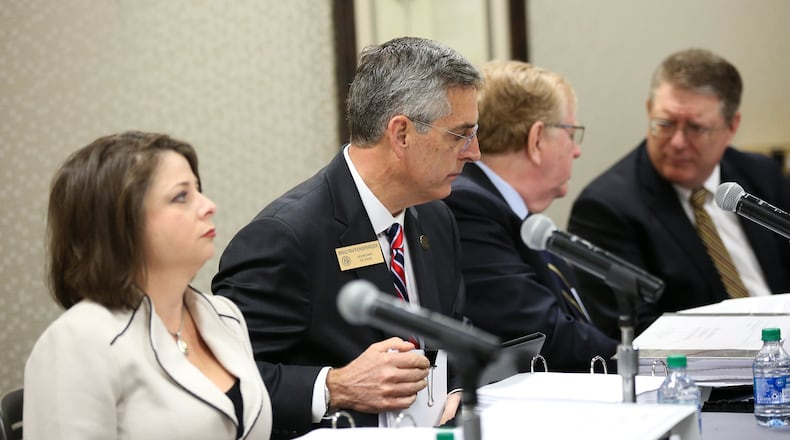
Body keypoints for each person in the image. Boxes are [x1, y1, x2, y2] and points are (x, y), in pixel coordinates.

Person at [212, 36, 481, 438]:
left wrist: (457, 387)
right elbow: (224, 385)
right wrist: (334, 386)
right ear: (402, 134)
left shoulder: (435, 217)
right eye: (460, 135)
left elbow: (453, 330)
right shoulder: (285, 237)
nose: (474, 152)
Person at [24, 132, 272, 439]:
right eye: (181, 196)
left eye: (199, 190)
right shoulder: (77, 342)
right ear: (119, 225)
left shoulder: (225, 315)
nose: (208, 205)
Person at [568, 48, 790, 338]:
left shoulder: (761, 175)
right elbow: (637, 333)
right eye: (665, 124)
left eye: (696, 128)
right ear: (649, 110)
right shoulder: (607, 207)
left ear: (731, 126)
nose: (677, 142)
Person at [442, 60, 617, 373]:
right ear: (537, 140)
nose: (576, 151)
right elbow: (542, 332)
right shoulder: (468, 205)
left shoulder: (517, 214)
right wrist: (646, 362)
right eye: (570, 133)